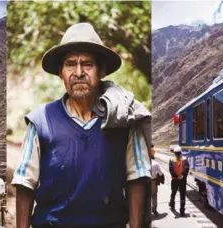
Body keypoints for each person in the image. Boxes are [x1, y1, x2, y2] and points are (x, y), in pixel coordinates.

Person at [11, 23, 152, 228]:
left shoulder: (124, 118)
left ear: (101, 70)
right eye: (70, 64)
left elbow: (137, 178)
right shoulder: (41, 121)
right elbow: (25, 184)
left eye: (87, 64)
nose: (78, 72)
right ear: (60, 72)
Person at [168, 146, 189, 217]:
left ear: (174, 153)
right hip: (182, 180)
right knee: (182, 195)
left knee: (173, 193)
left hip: (174, 180)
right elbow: (187, 168)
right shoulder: (185, 159)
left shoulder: (171, 160)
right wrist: (182, 175)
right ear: (181, 152)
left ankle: (172, 204)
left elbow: (171, 170)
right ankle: (182, 211)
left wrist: (176, 176)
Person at [150, 145, 163, 216]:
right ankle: (154, 210)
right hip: (153, 182)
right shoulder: (155, 163)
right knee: (154, 196)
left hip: (145, 182)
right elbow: (161, 173)